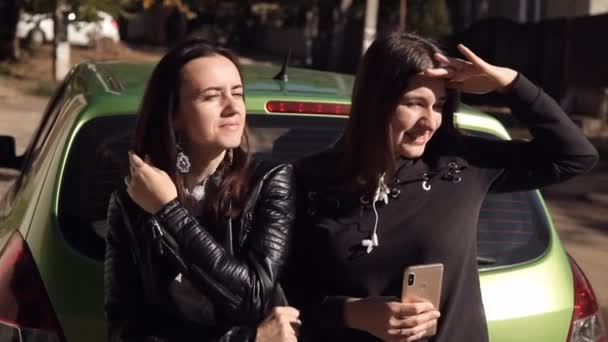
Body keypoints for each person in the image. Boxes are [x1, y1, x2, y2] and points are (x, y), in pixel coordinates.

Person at [283, 32, 599, 341]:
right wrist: (353, 313)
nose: (430, 121)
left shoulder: (460, 163)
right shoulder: (310, 180)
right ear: (375, 102)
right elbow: (282, 299)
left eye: (439, 106)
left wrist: (509, 84)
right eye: (415, 103)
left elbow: (575, 156)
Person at [104, 38, 300, 342]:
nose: (233, 107)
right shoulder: (131, 201)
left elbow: (252, 297)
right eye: (211, 96)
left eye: (237, 93)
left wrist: (168, 211)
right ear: (174, 115)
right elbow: (125, 329)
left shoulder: (268, 181)